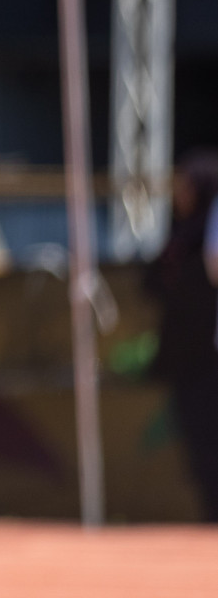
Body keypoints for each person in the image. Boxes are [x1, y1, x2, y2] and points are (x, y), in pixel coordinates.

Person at [146, 149, 218, 520]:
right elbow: (152, 283)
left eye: (185, 185)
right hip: (191, 359)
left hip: (206, 356)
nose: (178, 193)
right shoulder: (182, 235)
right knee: (200, 442)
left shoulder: (205, 232)